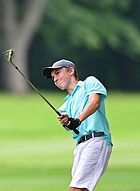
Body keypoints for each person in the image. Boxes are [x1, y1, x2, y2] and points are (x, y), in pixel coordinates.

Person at [42, 59, 113, 191]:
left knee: (75, 189)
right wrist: (67, 122)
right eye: (53, 77)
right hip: (80, 146)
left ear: (71, 70)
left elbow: (94, 102)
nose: (55, 79)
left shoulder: (89, 83)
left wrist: (77, 120)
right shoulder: (64, 106)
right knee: (83, 189)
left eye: (58, 73)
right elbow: (70, 126)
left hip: (97, 140)